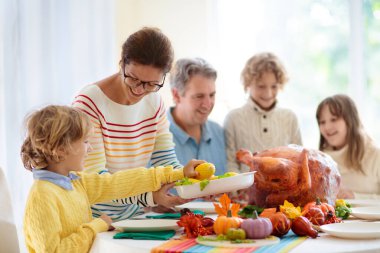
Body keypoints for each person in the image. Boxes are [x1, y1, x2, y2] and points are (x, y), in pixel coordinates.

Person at [21, 105, 201, 252]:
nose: (89, 149)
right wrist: (96, 225)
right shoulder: (42, 196)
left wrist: (179, 173)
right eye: (85, 142)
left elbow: (122, 182)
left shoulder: (77, 182)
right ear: (61, 149)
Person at [73, 27, 194, 220]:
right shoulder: (90, 103)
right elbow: (96, 183)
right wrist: (150, 198)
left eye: (151, 84)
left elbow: (165, 161)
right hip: (92, 220)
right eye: (133, 78)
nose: (139, 90)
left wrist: (197, 183)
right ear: (121, 63)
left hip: (132, 217)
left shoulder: (154, 102)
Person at [224, 52, 302, 173]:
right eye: (261, 86)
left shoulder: (290, 118)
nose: (268, 94)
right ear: (248, 83)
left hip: (285, 191)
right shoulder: (233, 119)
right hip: (244, 191)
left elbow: (300, 161)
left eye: (274, 86)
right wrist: (238, 191)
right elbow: (230, 162)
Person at [168, 58, 227, 175]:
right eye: (199, 96)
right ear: (176, 95)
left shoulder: (220, 133)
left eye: (212, 95)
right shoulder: (153, 137)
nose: (207, 104)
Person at [316, 94, 380, 199]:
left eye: (334, 119)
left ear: (350, 120)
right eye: (322, 122)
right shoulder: (320, 160)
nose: (327, 127)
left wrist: (355, 196)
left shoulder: (375, 155)